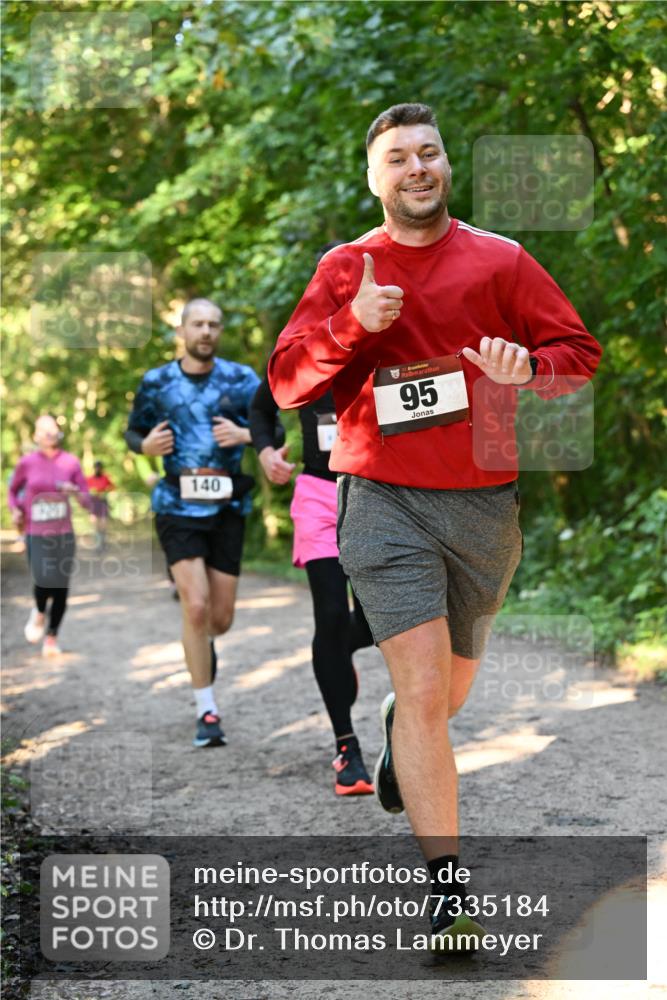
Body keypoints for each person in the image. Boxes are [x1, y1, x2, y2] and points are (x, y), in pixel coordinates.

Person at [268, 103, 602, 948]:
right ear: (374, 178)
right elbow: (285, 382)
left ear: (445, 164)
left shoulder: (500, 260)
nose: (416, 168)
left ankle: (396, 731)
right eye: (397, 158)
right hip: (380, 498)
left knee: (443, 698)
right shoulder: (347, 268)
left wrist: (527, 367)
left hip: (483, 504)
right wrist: (351, 326)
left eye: (429, 153)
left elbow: (577, 355)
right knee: (422, 694)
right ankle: (449, 898)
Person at [125, 297, 260, 749]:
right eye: (197, 324)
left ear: (220, 332)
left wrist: (245, 435)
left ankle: (203, 644)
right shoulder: (156, 382)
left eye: (214, 324)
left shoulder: (241, 379)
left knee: (219, 618)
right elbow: (133, 432)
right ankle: (207, 709)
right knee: (196, 606)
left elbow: (272, 428)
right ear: (181, 330)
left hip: (227, 509)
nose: (206, 331)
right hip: (175, 506)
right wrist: (144, 447)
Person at [250, 373, 375, 797]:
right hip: (318, 495)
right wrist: (266, 451)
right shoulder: (306, 355)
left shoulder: (388, 348)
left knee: (379, 621)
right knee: (332, 615)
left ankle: (341, 654)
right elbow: (261, 407)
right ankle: (347, 748)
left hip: (380, 497)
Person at [8, 414, 92, 657]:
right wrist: (15, 510)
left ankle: (52, 637)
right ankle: (39, 611)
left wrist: (75, 491)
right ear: (36, 435)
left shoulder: (71, 462)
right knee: (43, 578)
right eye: (43, 430)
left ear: (59, 432)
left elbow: (86, 500)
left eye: (53, 429)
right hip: (36, 532)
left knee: (61, 588)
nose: (49, 433)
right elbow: (12, 491)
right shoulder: (27, 462)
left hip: (63, 533)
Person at [85, 460, 114, 552]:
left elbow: (112, 487)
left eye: (99, 467)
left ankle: (103, 542)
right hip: (93, 504)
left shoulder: (105, 478)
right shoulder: (89, 479)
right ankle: (98, 544)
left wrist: (105, 492)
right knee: (95, 525)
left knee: (103, 524)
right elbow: (85, 490)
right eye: (96, 467)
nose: (98, 469)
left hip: (102, 503)